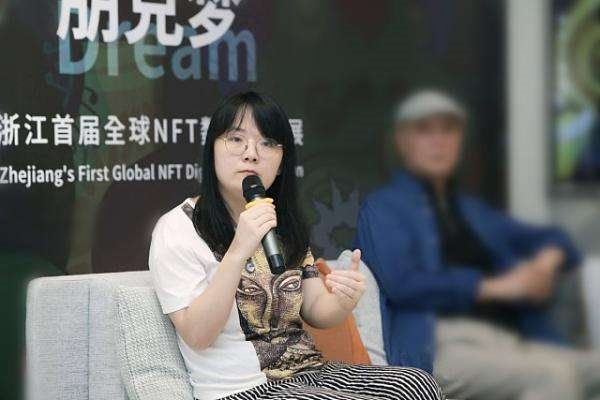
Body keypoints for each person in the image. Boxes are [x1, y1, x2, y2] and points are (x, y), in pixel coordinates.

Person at [149, 91, 445, 400]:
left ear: (281, 164)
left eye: (267, 143)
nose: (251, 153)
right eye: (236, 139)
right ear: (212, 150)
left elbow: (316, 310)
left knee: (417, 383)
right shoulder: (178, 228)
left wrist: (343, 301)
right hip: (242, 389)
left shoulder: (282, 222)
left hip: (309, 373)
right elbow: (198, 335)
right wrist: (238, 250)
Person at [353, 89, 600, 400]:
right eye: (425, 130)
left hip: (510, 339)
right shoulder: (383, 207)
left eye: (448, 130)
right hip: (439, 346)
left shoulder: (474, 211)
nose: (439, 141)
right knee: (553, 377)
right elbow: (403, 284)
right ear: (403, 141)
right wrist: (498, 287)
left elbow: (556, 238)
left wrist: (543, 265)